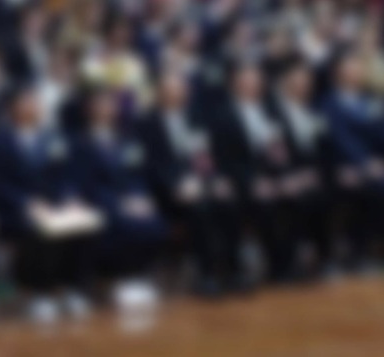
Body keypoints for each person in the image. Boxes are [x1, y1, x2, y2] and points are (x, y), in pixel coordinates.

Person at [0, 83, 97, 323]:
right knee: (39, 231)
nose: (34, 106)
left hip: (53, 205)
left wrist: (69, 198)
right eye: (27, 101)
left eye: (36, 101)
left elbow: (65, 175)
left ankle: (73, 288)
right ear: (13, 107)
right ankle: (39, 292)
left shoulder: (53, 137)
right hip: (15, 209)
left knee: (83, 224)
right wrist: (27, 203)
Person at [138, 71, 240, 295]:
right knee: (199, 209)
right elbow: (150, 164)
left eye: (180, 88)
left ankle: (233, 270)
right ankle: (207, 275)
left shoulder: (197, 117)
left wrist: (215, 180)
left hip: (201, 181)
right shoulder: (146, 123)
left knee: (227, 202)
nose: (177, 92)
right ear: (159, 92)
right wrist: (175, 185)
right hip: (169, 191)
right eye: (170, 88)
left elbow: (206, 156)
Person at [73, 87, 165, 309]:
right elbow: (86, 183)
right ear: (89, 109)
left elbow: (137, 173)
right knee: (125, 224)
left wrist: (141, 198)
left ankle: (138, 275)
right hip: (100, 200)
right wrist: (119, 203)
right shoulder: (80, 142)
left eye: (110, 104)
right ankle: (120, 279)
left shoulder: (128, 139)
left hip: (131, 198)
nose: (106, 108)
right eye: (100, 104)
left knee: (154, 224)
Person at [201, 61, 292, 281]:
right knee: (235, 205)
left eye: (256, 78)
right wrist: (253, 181)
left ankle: (283, 266)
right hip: (238, 179)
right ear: (235, 83)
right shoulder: (221, 114)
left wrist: (280, 178)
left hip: (270, 177)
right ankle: (234, 269)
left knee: (297, 196)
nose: (253, 83)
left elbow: (280, 151)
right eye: (247, 78)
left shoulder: (272, 110)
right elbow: (222, 159)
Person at [322, 50, 384, 269]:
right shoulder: (329, 103)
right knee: (370, 190)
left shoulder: (372, 100)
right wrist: (364, 164)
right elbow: (339, 139)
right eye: (351, 66)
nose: (357, 71)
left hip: (376, 163)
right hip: (342, 166)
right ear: (338, 71)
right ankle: (357, 251)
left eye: (359, 66)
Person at [268, 58, 331, 275]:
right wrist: (288, 176)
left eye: (306, 78)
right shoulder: (272, 111)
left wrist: (315, 173)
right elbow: (272, 150)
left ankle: (322, 256)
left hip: (315, 174)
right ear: (285, 81)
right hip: (286, 176)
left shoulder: (315, 109)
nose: (303, 83)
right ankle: (293, 259)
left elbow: (324, 149)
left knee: (325, 193)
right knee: (299, 198)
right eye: (298, 78)